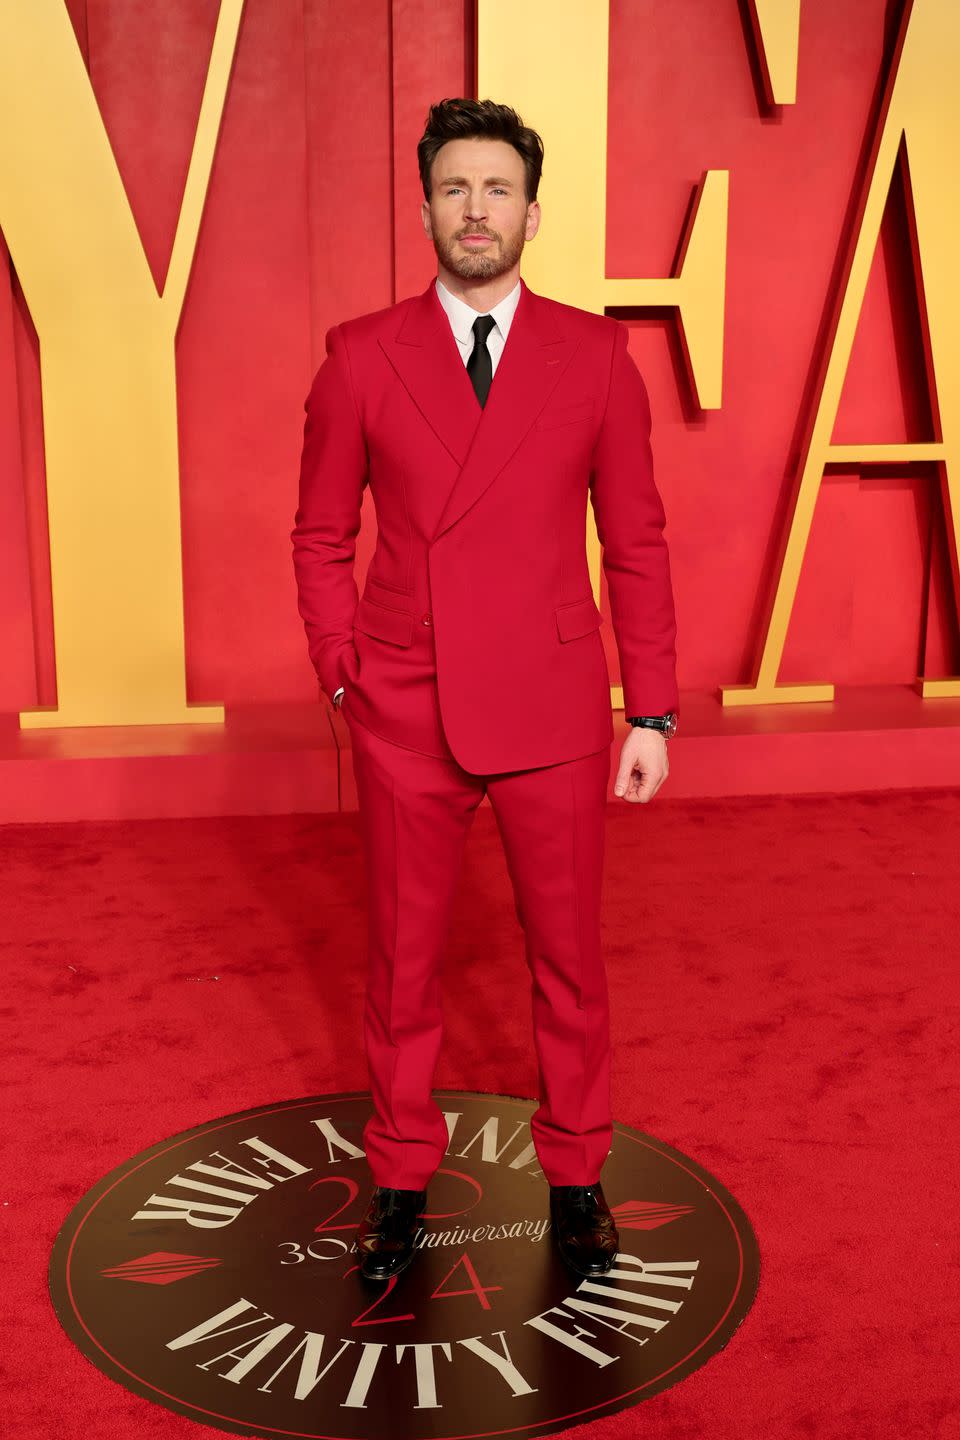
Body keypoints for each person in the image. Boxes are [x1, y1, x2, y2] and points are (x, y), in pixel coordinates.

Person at [292, 97, 678, 1283]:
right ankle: (402, 1176)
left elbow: (639, 541)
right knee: (402, 962)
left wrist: (651, 708)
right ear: (424, 209)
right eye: (455, 189)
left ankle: (575, 1174)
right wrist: (344, 673)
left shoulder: (599, 356)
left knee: (567, 959)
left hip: (555, 705)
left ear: (531, 211)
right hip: (406, 703)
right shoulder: (362, 355)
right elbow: (317, 534)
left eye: (496, 190)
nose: (476, 210)